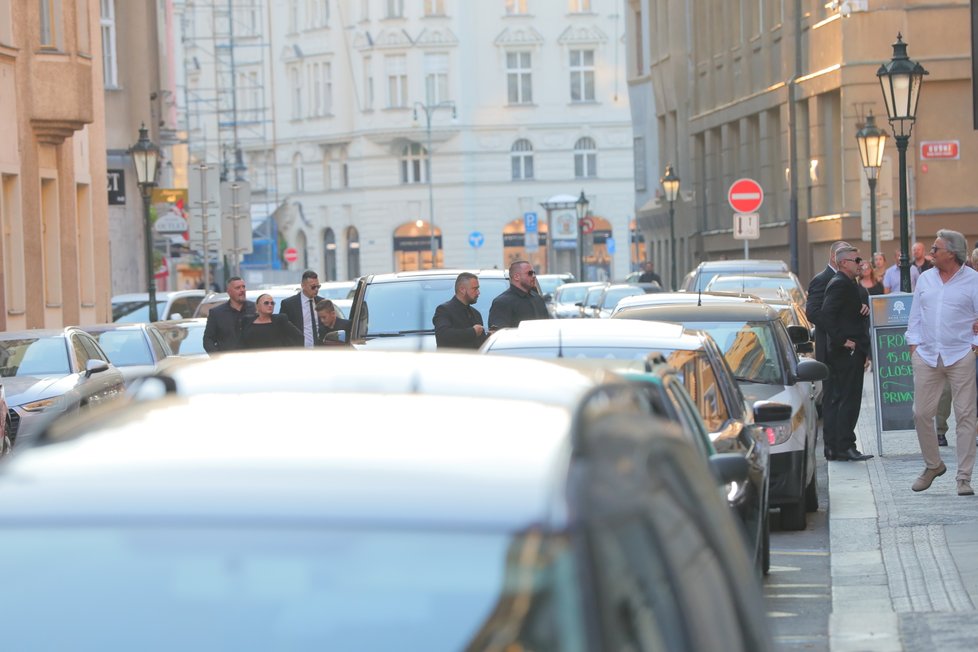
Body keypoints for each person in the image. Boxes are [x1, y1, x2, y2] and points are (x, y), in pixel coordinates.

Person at [905, 229, 978, 496]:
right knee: (921, 413)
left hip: (960, 355)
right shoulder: (925, 279)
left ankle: (964, 477)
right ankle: (933, 465)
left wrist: (974, 347)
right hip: (926, 354)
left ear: (952, 253)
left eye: (936, 249)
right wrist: (913, 345)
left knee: (966, 415)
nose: (931, 253)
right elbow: (915, 316)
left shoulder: (973, 281)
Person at [820, 246, 874, 462]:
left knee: (845, 398)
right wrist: (843, 341)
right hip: (846, 352)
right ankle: (845, 446)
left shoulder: (848, 284)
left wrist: (862, 309)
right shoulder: (840, 283)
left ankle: (839, 446)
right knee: (848, 399)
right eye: (856, 259)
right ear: (843, 263)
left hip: (850, 350)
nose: (860, 263)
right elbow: (826, 314)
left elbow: (843, 313)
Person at [807, 241, 849, 459]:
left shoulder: (847, 279)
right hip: (830, 348)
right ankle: (831, 447)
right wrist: (837, 332)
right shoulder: (821, 280)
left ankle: (842, 444)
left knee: (843, 398)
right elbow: (812, 312)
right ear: (835, 257)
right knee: (832, 398)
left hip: (845, 350)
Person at [488, 260, 551, 330]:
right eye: (530, 273)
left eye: (534, 273)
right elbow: (499, 334)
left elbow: (546, 327)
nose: (534, 276)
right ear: (516, 277)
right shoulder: (502, 303)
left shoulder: (537, 299)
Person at [432, 272, 488, 349]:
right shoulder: (444, 310)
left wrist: (490, 337)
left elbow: (481, 345)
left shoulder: (476, 314)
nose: (478, 292)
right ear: (462, 289)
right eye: (475, 288)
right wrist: (472, 332)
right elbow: (443, 335)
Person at [202, 276, 256, 353]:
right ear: (229, 292)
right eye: (238, 288)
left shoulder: (255, 309)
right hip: (227, 362)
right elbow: (208, 340)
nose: (242, 290)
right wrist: (217, 357)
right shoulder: (217, 313)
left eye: (243, 287)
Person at [279, 270, 324, 348]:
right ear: (303, 286)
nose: (316, 289)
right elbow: (282, 330)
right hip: (298, 351)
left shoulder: (322, 302)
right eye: (313, 287)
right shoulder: (289, 304)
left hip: (320, 351)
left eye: (318, 286)